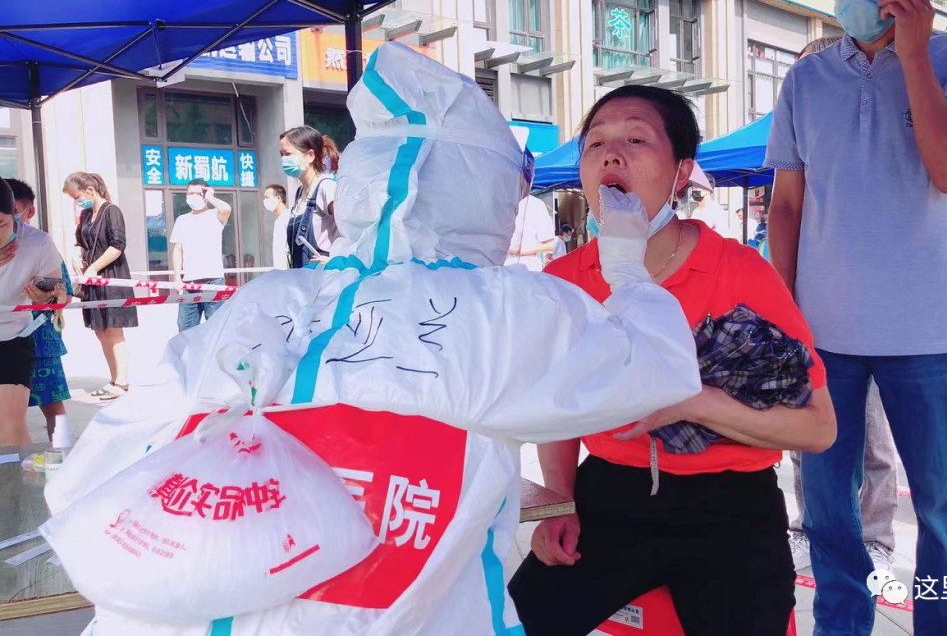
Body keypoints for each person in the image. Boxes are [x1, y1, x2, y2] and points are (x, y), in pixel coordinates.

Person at [51, 42, 704, 636]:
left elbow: (92, 477)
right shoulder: (501, 312)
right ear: (488, 192)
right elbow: (656, 368)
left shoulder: (266, 300)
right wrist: (625, 263)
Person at [510, 84, 836, 636]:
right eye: (596, 144)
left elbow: (818, 429)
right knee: (507, 622)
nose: (612, 155)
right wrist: (558, 502)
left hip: (732, 504)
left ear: (682, 172)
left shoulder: (740, 272)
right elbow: (558, 409)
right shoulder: (563, 281)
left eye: (636, 139)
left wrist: (693, 402)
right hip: (610, 492)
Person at [765, 0, 947, 633]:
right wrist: (782, 311)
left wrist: (915, 54)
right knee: (826, 507)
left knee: (940, 508)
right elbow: (787, 204)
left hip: (930, 333)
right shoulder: (806, 79)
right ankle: (842, 625)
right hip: (824, 332)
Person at [782, 35, 898, 573]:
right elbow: (785, 214)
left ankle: (877, 537)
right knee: (806, 429)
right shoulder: (800, 155)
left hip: (873, 316)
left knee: (873, 438)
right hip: (811, 312)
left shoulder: (875, 149)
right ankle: (809, 527)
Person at [0, 178, 64, 446]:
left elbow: (60, 292)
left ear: (15, 213)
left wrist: (48, 296)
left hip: (13, 337)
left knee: (9, 427)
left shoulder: (37, 243)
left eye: (0, 225)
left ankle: (19, 474)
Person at [64, 172, 138, 401]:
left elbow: (118, 245)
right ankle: (114, 379)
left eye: (76, 196)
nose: (77, 202)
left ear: (89, 190)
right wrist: (77, 254)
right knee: (100, 331)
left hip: (111, 276)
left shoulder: (111, 211)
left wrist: (95, 267)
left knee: (113, 330)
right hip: (92, 280)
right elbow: (80, 240)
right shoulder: (86, 214)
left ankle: (122, 381)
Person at [170, 179, 230, 332]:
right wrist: (177, 278)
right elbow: (177, 250)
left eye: (198, 193)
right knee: (185, 328)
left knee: (216, 329)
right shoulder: (182, 220)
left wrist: (210, 197)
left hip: (214, 281)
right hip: (189, 283)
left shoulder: (215, 215)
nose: (193, 196)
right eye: (190, 193)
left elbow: (227, 209)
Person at [280, 126, 340, 268]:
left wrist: (335, 260)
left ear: (310, 155)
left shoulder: (326, 187)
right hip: (301, 275)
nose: (283, 159)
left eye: (288, 154)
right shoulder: (299, 193)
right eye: (281, 154)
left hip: (321, 275)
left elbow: (350, 229)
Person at [505, 193, 555, 271]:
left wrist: (520, 251)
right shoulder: (498, 203)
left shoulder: (536, 205)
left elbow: (550, 244)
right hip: (502, 268)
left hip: (529, 267)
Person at [264, 184, 289, 271]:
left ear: (278, 198)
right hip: (280, 272)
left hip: (287, 271)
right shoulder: (278, 221)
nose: (265, 201)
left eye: (267, 197)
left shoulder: (289, 218)